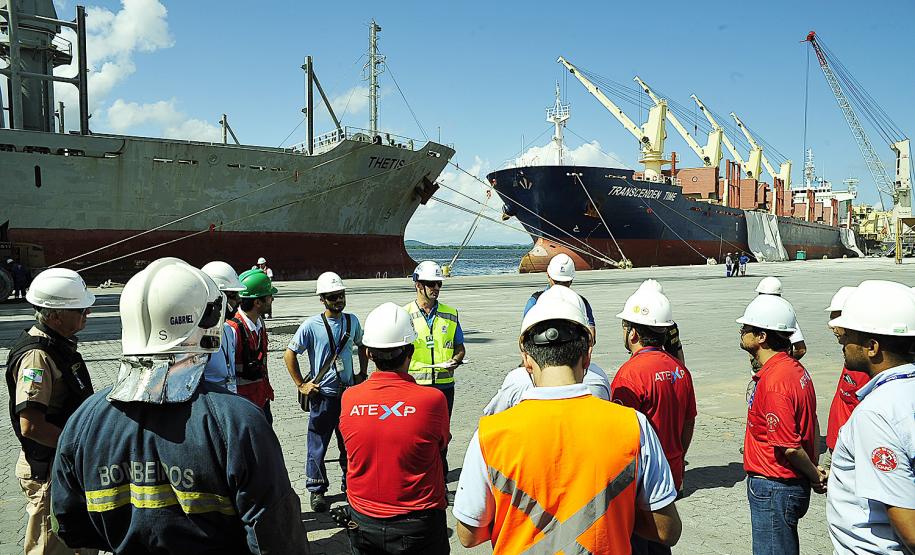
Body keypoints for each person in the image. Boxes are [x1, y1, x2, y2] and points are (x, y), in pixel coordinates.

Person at [49, 257, 310, 553]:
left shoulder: (83, 420)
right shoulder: (238, 422)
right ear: (208, 322)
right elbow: (277, 539)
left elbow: (68, 526)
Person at [453, 289, 681, 554]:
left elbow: (468, 534)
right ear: (587, 357)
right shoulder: (634, 426)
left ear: (526, 360)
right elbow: (667, 530)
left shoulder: (489, 435)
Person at [339, 303, 451, 554]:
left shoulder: (350, 398)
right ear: (410, 351)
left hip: (362, 520)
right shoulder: (432, 400)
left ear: (369, 353)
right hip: (418, 522)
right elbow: (441, 444)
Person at [5, 268, 96, 555]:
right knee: (51, 548)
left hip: (65, 466)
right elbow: (31, 425)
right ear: (55, 316)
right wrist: (79, 448)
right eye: (80, 309)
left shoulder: (59, 346)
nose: (88, 313)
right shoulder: (37, 356)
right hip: (49, 472)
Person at [825, 280, 915, 554]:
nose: (843, 342)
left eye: (849, 335)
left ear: (872, 347)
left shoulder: (877, 413)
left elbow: (909, 528)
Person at [737, 294, 825, 555]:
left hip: (775, 487)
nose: (742, 332)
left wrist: (815, 476)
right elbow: (812, 422)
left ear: (761, 337)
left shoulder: (775, 381)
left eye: (746, 328)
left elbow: (789, 446)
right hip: (785, 485)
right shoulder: (795, 370)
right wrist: (813, 465)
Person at [612, 280, 697, 521]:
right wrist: (678, 456)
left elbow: (621, 435)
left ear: (633, 333)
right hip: (672, 471)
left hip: (643, 478)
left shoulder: (629, 375)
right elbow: (689, 422)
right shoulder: (680, 370)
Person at [285, 271, 367, 513]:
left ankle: (350, 484)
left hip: (348, 395)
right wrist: (301, 384)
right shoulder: (311, 325)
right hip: (322, 396)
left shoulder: (352, 322)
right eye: (332, 296)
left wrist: (362, 373)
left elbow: (362, 346)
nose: (338, 300)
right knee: (317, 444)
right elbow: (289, 354)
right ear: (322, 299)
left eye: (341, 295)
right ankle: (317, 489)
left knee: (349, 443)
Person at [484, 287, 610, 415]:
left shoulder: (515, 382)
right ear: (587, 356)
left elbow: (493, 412)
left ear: (526, 359)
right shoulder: (600, 381)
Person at [403, 260, 465, 501]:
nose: (436, 288)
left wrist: (456, 359)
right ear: (418, 285)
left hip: (444, 385)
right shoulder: (404, 315)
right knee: (413, 437)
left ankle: (440, 483)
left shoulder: (451, 313)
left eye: (439, 283)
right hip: (416, 386)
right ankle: (415, 484)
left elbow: (459, 347)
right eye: (431, 283)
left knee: (441, 437)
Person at [822, 286, 867, 469]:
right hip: (837, 443)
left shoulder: (865, 364)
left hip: (851, 451)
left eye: (836, 320)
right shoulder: (851, 356)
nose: (831, 327)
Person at [227, 268, 276, 422]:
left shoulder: (260, 323)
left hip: (262, 399)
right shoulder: (232, 330)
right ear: (257, 302)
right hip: (243, 407)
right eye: (269, 296)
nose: (272, 299)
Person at [522, 253, 596, 340]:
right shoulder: (581, 301)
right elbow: (591, 334)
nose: (560, 286)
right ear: (571, 279)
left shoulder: (535, 300)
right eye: (557, 282)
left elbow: (525, 333)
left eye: (564, 282)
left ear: (548, 275)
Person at [201, 261, 246, 393]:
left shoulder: (228, 330)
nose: (239, 300)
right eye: (233, 295)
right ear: (216, 296)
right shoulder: (196, 338)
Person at [755, 277, 807, 360]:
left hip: (764, 365)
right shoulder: (785, 316)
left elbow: (801, 350)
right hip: (776, 365)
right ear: (779, 295)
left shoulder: (754, 314)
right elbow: (801, 349)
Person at [637, 279, 686, 363]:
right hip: (672, 366)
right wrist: (681, 369)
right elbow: (678, 349)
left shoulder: (641, 325)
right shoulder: (670, 324)